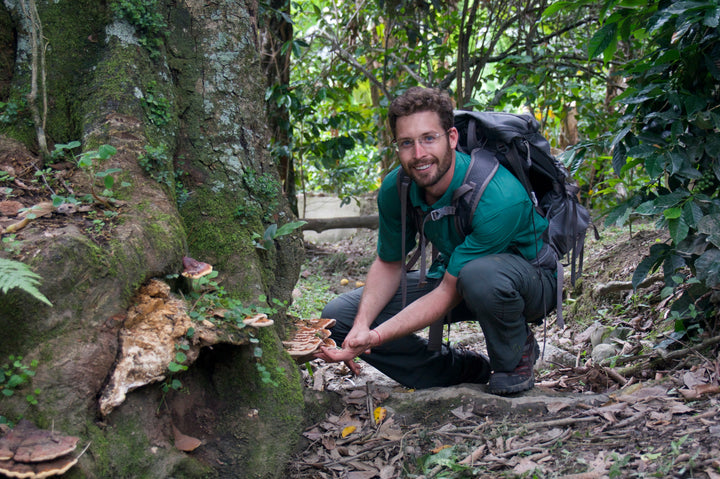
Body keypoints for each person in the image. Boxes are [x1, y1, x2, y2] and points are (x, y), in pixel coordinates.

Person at [315, 87, 557, 395]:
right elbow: (390, 263)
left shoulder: (499, 196)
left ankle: (515, 356)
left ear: (452, 138)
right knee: (340, 317)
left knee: (480, 276)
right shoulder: (397, 188)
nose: (418, 155)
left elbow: (447, 292)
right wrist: (362, 326)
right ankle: (460, 370)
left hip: (526, 283)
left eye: (429, 138)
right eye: (407, 143)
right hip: (456, 274)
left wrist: (374, 338)